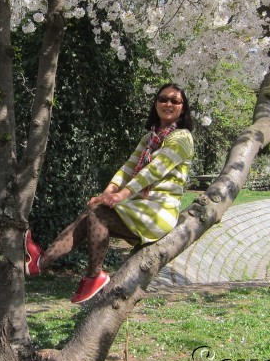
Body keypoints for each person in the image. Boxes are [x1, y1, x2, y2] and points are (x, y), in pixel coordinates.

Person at [24, 83, 195, 303]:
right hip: (141, 209)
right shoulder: (149, 138)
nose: (168, 104)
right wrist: (107, 193)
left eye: (175, 101)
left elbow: (154, 171)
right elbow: (127, 169)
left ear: (183, 108)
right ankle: (39, 263)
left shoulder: (181, 138)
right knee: (90, 215)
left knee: (98, 214)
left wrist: (120, 196)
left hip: (158, 213)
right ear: (155, 103)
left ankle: (94, 276)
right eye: (163, 99)